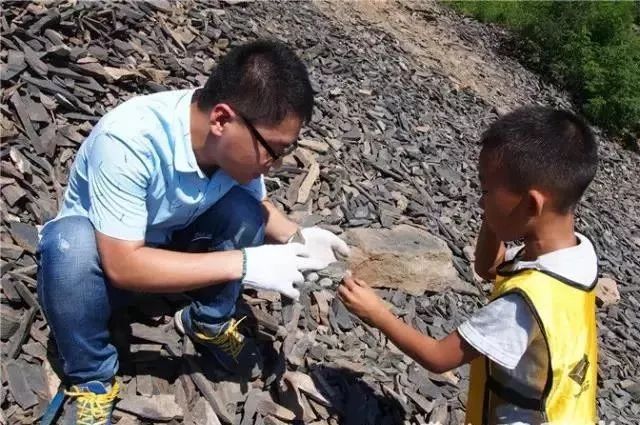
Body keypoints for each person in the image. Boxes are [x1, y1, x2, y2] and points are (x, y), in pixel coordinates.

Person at [36, 39, 348, 424]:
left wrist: (299, 239)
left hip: (169, 240)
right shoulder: (130, 140)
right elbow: (123, 265)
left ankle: (206, 321)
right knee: (68, 248)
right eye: (273, 149)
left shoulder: (229, 147)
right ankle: (92, 376)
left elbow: (258, 208)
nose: (276, 164)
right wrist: (245, 263)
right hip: (106, 264)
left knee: (245, 210)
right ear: (221, 119)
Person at [339, 106, 599, 424]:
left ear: (531, 204)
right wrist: (494, 217)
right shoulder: (576, 255)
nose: (480, 200)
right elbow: (490, 269)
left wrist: (376, 313)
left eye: (486, 190)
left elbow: (439, 358)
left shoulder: (524, 304)